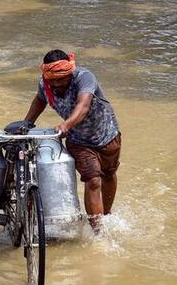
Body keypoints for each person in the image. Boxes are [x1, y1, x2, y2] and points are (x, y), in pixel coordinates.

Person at [22, 50, 121, 232]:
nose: (58, 84)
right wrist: (26, 123)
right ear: (47, 76)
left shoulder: (84, 78)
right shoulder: (45, 85)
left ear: (70, 72)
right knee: (92, 181)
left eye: (62, 79)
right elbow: (39, 100)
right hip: (79, 141)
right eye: (54, 80)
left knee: (109, 174)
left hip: (107, 134)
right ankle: (98, 231)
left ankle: (107, 215)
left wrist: (65, 125)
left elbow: (83, 106)